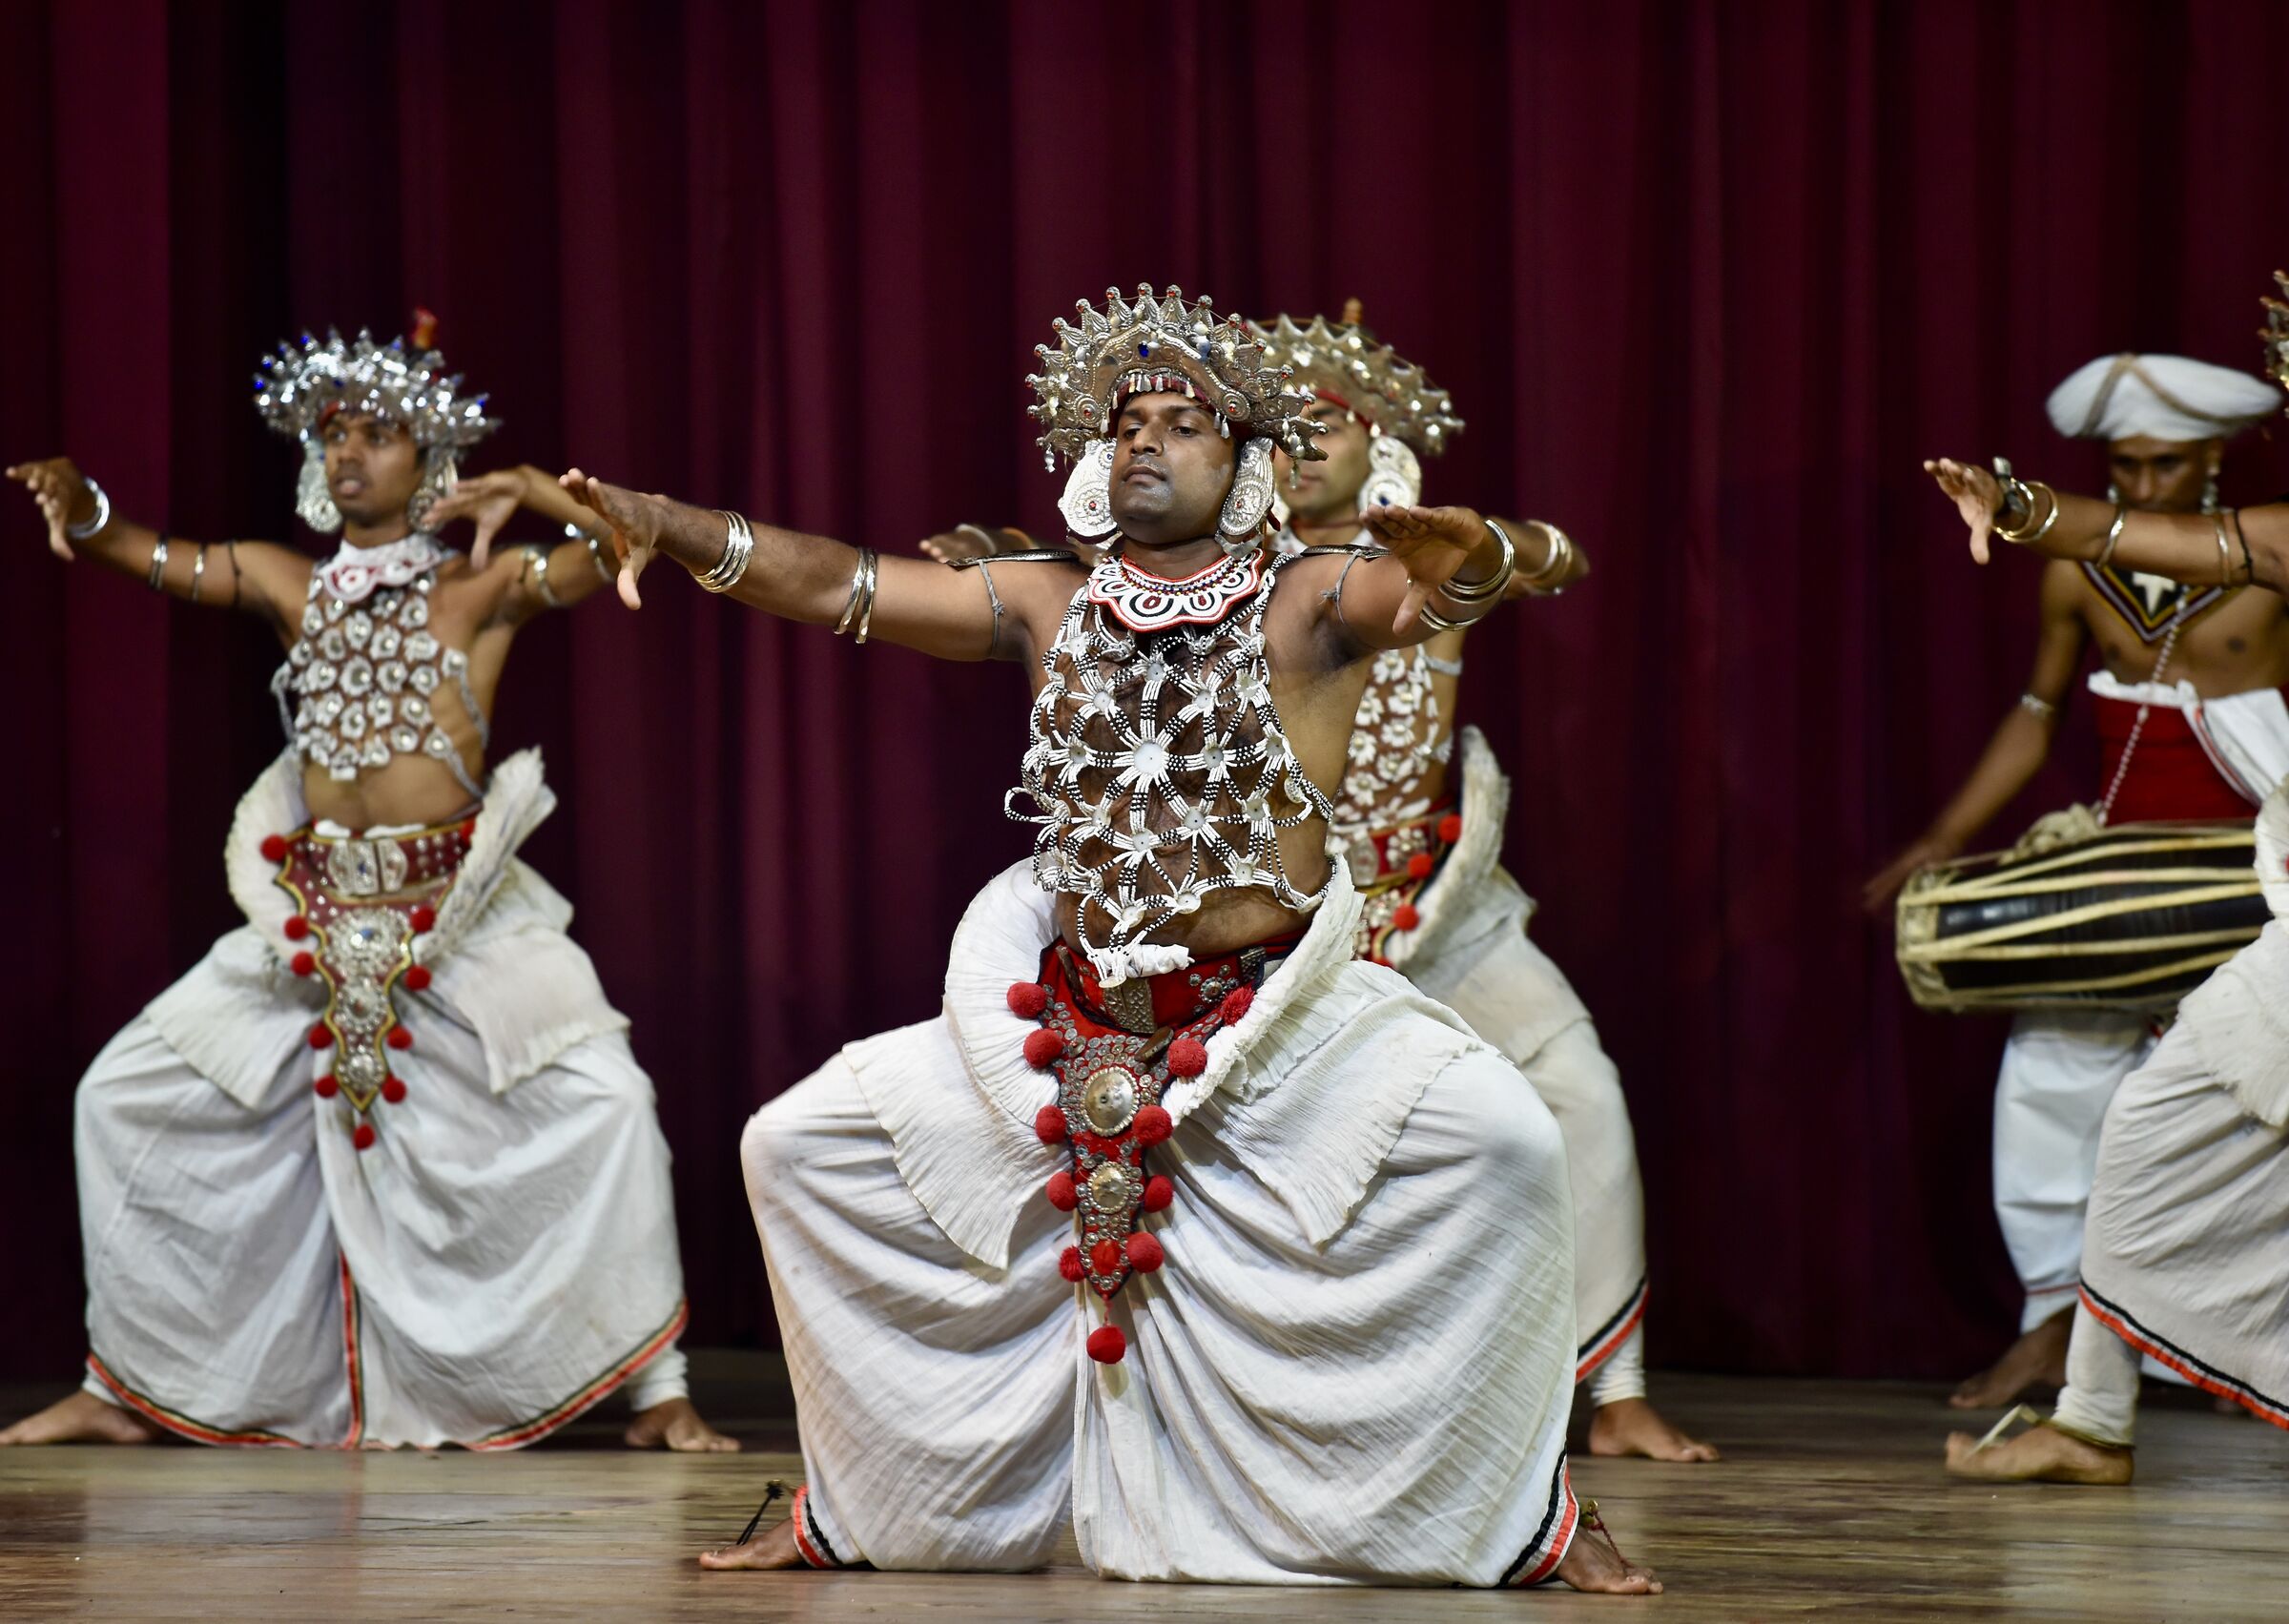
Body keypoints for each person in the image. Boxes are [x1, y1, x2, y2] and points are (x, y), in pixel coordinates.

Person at [566, 285, 1659, 1592]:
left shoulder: (1310, 596)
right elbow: (842, 582)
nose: (1146, 439)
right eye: (1128, 421)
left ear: (1246, 461)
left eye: (1184, 423)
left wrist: (1467, 549)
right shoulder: (1047, 597)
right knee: (795, 1147)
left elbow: (1451, 587)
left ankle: (1531, 1506)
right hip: (1071, 1016)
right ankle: (848, 1501)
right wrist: (671, 524)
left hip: (1276, 1025)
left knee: (1511, 1143)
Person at [1, 323, 732, 1452]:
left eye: (379, 433)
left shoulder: (484, 587)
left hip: (461, 915)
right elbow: (147, 554)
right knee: (119, 1097)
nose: (348, 450)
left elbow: (636, 541)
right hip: (308, 916)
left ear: (431, 460)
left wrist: (540, 488)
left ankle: (658, 1387)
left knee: (610, 1106)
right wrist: (83, 505)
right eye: (334, 431)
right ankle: (124, 1383)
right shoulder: (285, 579)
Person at [1920, 276, 2289, 1481]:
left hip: (2251, 873)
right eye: (2124, 463)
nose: (2143, 481)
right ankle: (2082, 1383)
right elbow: (2118, 550)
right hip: (2178, 878)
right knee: (2099, 1104)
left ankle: (2131, 1395)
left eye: (2162, 462)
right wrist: (2018, 502)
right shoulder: (2252, 542)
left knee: (2193, 1124)